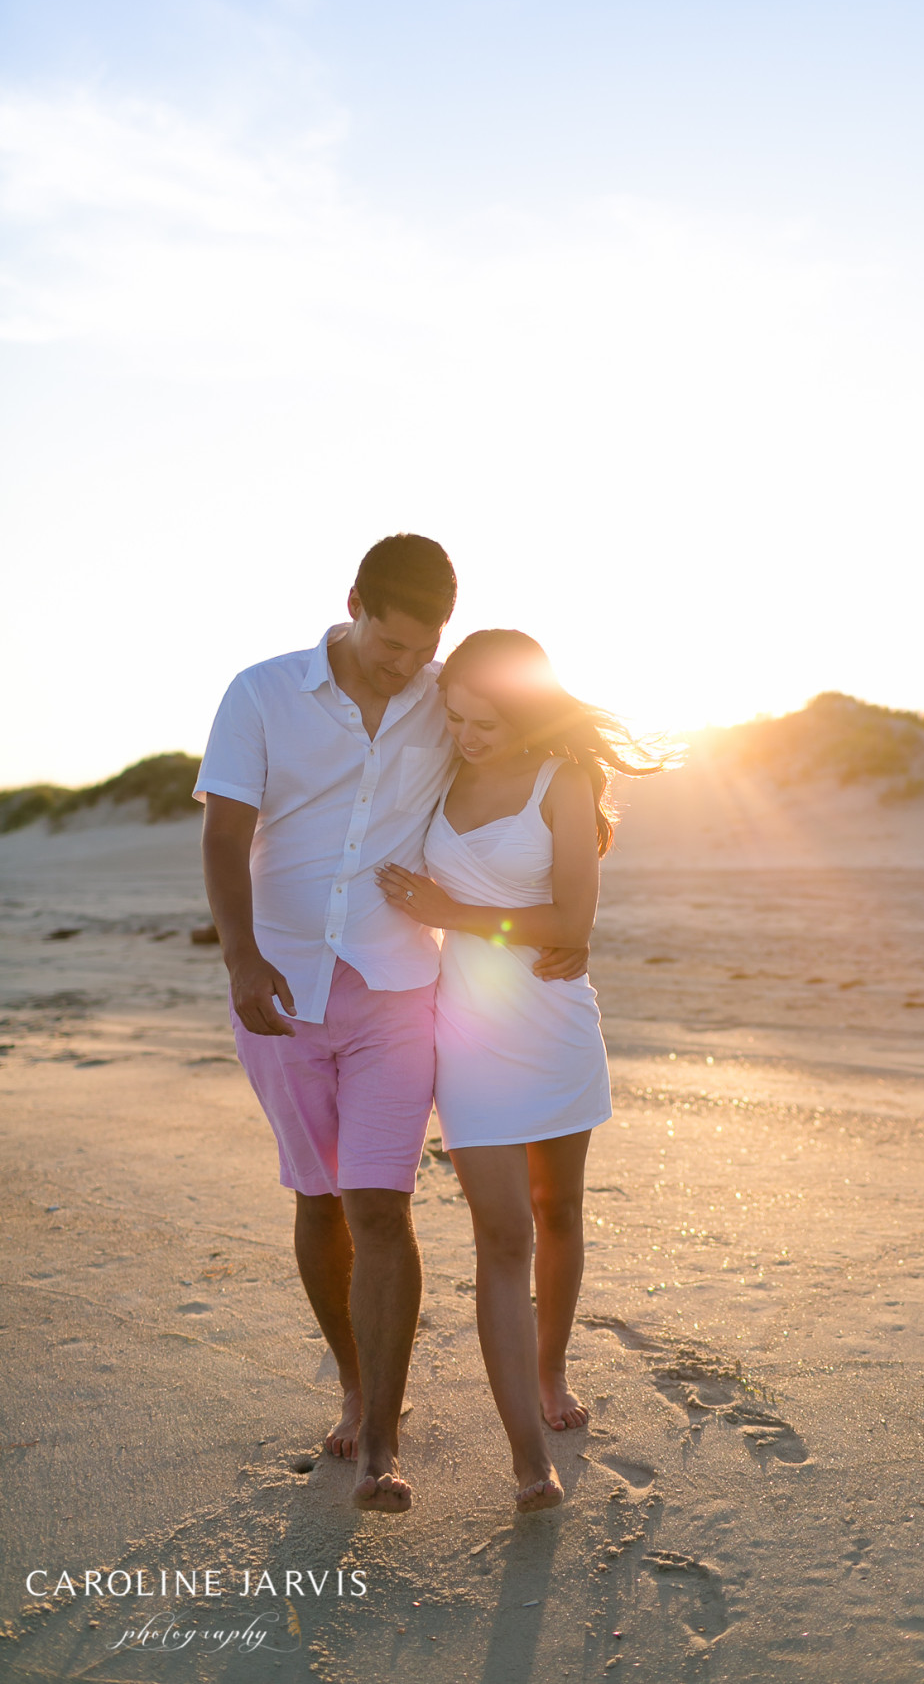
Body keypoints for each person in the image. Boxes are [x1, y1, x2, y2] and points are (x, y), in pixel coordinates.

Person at [195, 537, 586, 1513]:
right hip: (280, 988)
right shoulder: (260, 694)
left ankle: (380, 1445)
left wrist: (581, 783)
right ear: (354, 603)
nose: (406, 667)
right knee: (317, 1201)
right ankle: (354, 1376)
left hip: (399, 988)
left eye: (425, 650)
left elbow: (521, 719)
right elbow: (224, 832)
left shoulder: (445, 693)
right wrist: (240, 956)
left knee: (381, 1206)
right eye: (392, 644)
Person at [377, 630, 658, 1512]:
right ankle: (528, 1460)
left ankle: (551, 1367)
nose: (464, 734)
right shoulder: (433, 777)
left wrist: (454, 910)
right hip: (467, 1036)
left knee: (557, 1209)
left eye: (485, 721)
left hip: (554, 1025)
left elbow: (573, 923)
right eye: (454, 716)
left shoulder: (561, 783)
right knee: (501, 1239)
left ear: (528, 712)